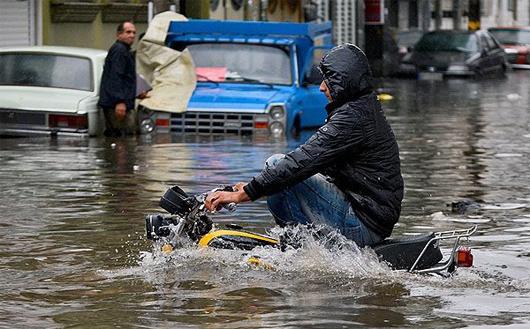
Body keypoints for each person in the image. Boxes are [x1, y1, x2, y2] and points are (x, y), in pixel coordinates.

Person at [205, 44, 404, 247]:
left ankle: (297, 248)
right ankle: (298, 245)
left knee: (277, 165)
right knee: (278, 174)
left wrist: (243, 194)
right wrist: (250, 186)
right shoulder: (361, 110)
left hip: (363, 225)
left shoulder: (353, 118)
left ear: (344, 81)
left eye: (329, 80)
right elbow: (317, 167)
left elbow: (302, 161)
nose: (322, 87)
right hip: (366, 219)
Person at [98, 21, 145, 137]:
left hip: (122, 101)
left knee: (124, 139)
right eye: (128, 32)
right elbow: (116, 77)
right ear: (119, 34)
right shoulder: (119, 51)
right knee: (124, 139)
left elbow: (127, 78)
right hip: (117, 105)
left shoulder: (124, 51)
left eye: (134, 33)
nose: (132, 35)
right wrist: (120, 102)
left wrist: (137, 92)